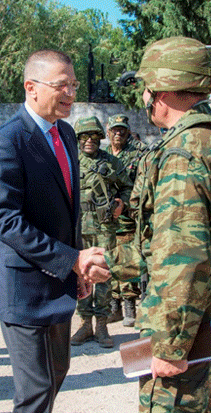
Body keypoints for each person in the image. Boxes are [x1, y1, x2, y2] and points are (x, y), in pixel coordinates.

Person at [104, 36, 211, 412]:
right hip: (203, 308)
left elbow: (183, 253)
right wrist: (108, 264)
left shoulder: (185, 152)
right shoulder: (209, 140)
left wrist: (171, 345)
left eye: (146, 87)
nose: (144, 97)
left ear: (160, 90)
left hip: (183, 321)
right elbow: (164, 239)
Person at [0, 49, 110, 413]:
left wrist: (76, 269)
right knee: (36, 390)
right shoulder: (6, 141)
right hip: (23, 289)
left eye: (73, 84)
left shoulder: (66, 134)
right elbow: (7, 222)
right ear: (31, 87)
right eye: (61, 85)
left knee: (57, 372)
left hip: (58, 281)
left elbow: (69, 212)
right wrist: (72, 260)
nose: (70, 93)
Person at [70, 116, 131, 348]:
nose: (89, 141)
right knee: (80, 274)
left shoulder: (111, 163)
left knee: (104, 275)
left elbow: (127, 186)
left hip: (105, 226)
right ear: (78, 139)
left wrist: (121, 205)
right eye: (84, 136)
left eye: (94, 136)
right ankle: (85, 324)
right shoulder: (71, 162)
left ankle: (102, 325)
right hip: (77, 227)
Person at [104, 114, 144, 327]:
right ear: (108, 131)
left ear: (128, 131)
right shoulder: (103, 155)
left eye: (122, 129)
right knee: (109, 259)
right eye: (114, 129)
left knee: (126, 260)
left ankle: (129, 305)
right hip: (106, 219)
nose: (118, 133)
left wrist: (126, 204)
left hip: (128, 216)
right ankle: (114, 305)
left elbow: (140, 185)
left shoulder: (138, 154)